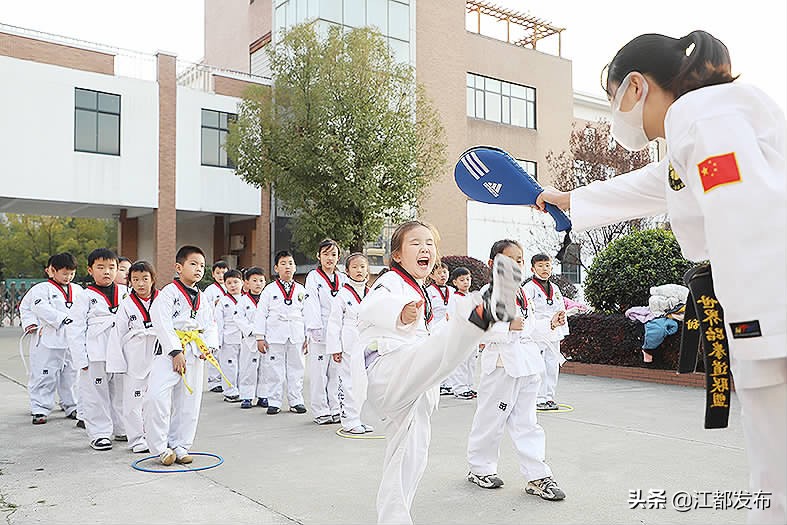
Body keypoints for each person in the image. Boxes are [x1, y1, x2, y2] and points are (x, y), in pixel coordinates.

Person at [536, 30, 786, 524]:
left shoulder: (702, 114)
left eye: (611, 98)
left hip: (768, 306)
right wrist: (571, 202)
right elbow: (659, 184)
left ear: (635, 87)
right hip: (758, 300)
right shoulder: (705, 120)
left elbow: (744, 209)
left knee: (776, 476)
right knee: (772, 477)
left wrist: (766, 336)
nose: (614, 115)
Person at [359, 220, 522, 525]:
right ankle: (484, 309)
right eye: (415, 243)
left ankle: (394, 519)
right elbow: (370, 306)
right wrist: (400, 311)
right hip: (390, 369)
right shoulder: (391, 283)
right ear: (396, 255)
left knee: (410, 458)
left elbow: (439, 335)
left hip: (416, 389)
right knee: (441, 349)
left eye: (430, 243)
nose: (425, 249)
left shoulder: (423, 290)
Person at [466, 239, 566, 501]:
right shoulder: (488, 293)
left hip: (527, 366)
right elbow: (475, 330)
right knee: (490, 420)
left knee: (527, 423)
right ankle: (480, 468)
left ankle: (537, 475)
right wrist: (506, 327)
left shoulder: (521, 293)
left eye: (520, 260)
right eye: (510, 260)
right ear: (493, 264)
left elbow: (530, 329)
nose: (516, 265)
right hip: (501, 366)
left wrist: (551, 324)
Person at [144, 245, 219, 465]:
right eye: (193, 264)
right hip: (170, 352)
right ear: (179, 267)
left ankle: (181, 445)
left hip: (194, 352)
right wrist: (175, 351)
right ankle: (161, 447)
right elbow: (160, 321)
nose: (199, 269)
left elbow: (210, 324)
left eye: (202, 266)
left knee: (189, 401)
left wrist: (208, 346)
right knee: (156, 396)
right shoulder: (168, 293)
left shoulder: (202, 297)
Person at [66, 248, 124, 450]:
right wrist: (80, 359)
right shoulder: (84, 296)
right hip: (96, 353)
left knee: (122, 392)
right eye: (100, 267)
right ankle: (100, 433)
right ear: (90, 270)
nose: (106, 272)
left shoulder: (125, 293)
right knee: (96, 394)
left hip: (121, 353)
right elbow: (74, 329)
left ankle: (122, 427)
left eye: (111, 267)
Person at [23, 253, 81, 425]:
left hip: (71, 339)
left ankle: (71, 405)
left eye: (71, 273)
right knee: (44, 374)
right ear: (52, 271)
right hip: (48, 338)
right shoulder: (41, 289)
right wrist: (31, 324)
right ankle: (40, 408)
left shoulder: (78, 290)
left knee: (71, 374)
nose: (68, 277)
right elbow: (35, 308)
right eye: (64, 273)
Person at [107, 260, 158, 453]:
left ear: (153, 279)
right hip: (134, 354)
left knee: (157, 398)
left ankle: (158, 437)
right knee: (133, 399)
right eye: (135, 279)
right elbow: (117, 334)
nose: (141, 283)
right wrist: (117, 362)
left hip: (158, 352)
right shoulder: (127, 304)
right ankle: (137, 440)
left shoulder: (162, 300)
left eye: (145, 279)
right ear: (130, 281)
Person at [254, 251, 308, 416]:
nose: (288, 267)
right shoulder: (269, 290)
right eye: (283, 263)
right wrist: (259, 337)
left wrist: (307, 336)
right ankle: (274, 401)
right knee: (274, 370)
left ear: (295, 267)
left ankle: (296, 400)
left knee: (297, 368)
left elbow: (306, 314)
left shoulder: (301, 289)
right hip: (275, 334)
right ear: (276, 268)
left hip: (296, 334)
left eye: (290, 263)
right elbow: (261, 314)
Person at [326, 253, 375, 434]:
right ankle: (348, 420)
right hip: (348, 343)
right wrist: (335, 347)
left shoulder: (371, 293)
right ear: (347, 271)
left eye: (362, 267)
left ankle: (358, 418)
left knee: (362, 384)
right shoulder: (342, 294)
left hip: (366, 343)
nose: (359, 270)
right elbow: (333, 323)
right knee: (348, 383)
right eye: (354, 267)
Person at [303, 239, 345, 424]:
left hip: (338, 331)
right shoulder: (313, 277)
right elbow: (311, 302)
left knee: (336, 372)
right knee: (319, 373)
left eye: (334, 254)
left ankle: (335, 408)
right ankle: (321, 411)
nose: (330, 258)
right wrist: (314, 327)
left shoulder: (342, 278)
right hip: (319, 329)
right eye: (326, 254)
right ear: (318, 256)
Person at [523, 254, 568, 411]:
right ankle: (537, 397)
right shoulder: (528, 288)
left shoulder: (555, 288)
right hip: (537, 332)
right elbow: (527, 312)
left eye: (547, 265)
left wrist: (562, 320)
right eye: (540, 266)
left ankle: (549, 397)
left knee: (552, 365)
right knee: (539, 366)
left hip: (553, 332)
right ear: (532, 268)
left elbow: (560, 308)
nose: (544, 269)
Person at [445, 267, 477, 400]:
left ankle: (468, 385)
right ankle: (459, 387)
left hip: (472, 334)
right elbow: (451, 316)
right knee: (461, 362)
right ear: (455, 282)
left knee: (471, 362)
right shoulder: (455, 298)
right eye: (462, 280)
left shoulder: (472, 297)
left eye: (468, 279)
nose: (466, 282)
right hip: (460, 334)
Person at [236, 267, 266, 409]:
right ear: (246, 283)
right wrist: (252, 330)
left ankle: (263, 395)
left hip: (265, 339)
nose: (258, 284)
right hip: (249, 340)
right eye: (254, 281)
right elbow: (238, 318)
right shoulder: (242, 301)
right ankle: (247, 396)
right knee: (248, 368)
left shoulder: (267, 299)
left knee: (265, 368)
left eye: (261, 280)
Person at [215, 269, 244, 403]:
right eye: (229, 283)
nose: (233, 285)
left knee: (244, 365)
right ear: (225, 285)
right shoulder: (222, 301)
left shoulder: (246, 299)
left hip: (244, 339)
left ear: (242, 282)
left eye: (236, 282)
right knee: (229, 366)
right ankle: (230, 391)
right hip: (228, 339)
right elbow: (219, 322)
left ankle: (244, 390)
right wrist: (218, 342)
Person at [426, 263, 453, 396]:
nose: (443, 275)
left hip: (450, 327)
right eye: (439, 273)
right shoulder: (428, 291)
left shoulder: (453, 291)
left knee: (449, 356)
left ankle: (448, 383)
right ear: (432, 275)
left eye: (445, 272)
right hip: (435, 327)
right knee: (438, 356)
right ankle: (439, 384)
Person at [204, 260, 229, 394]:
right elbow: (205, 307)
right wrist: (215, 303)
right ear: (213, 274)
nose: (221, 276)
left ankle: (226, 379)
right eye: (218, 273)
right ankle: (214, 381)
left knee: (227, 353)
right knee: (215, 353)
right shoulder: (210, 290)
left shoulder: (231, 286)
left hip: (228, 326)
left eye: (223, 273)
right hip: (215, 324)